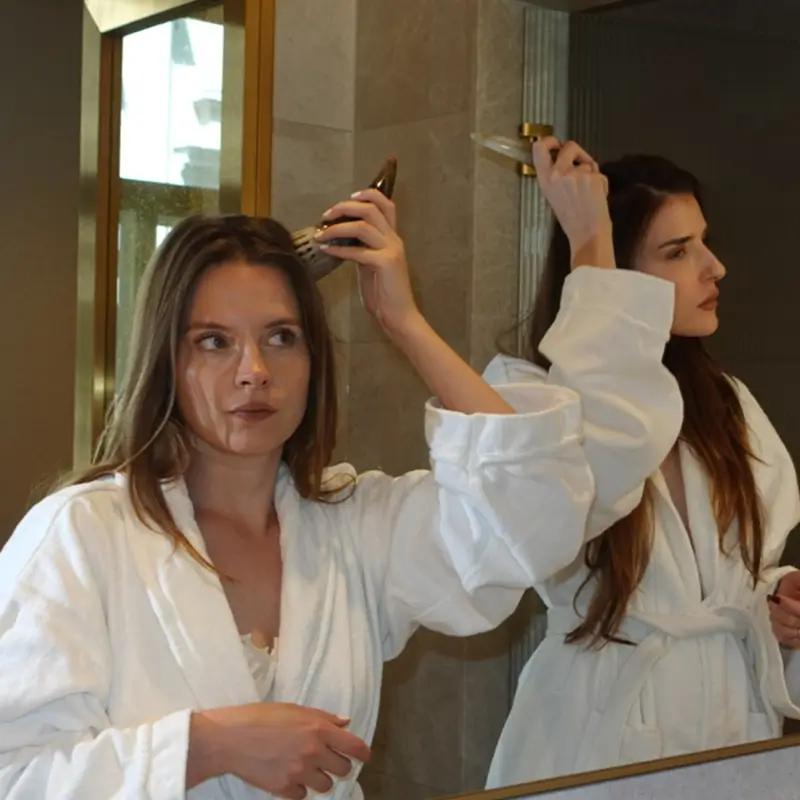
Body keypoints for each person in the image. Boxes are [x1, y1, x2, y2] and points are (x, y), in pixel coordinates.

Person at [0, 159, 678, 800]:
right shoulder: (83, 533)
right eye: (213, 341)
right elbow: (16, 774)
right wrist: (205, 746)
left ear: (313, 361)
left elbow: (534, 515)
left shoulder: (354, 526)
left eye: (281, 337)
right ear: (165, 361)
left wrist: (404, 322)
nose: (254, 371)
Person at [485, 138, 800, 788]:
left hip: (732, 724)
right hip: (598, 728)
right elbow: (571, 505)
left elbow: (735, 577)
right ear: (616, 272)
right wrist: (589, 240)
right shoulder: (532, 397)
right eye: (678, 251)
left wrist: (778, 602)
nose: (715, 268)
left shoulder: (726, 403)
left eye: (704, 242)